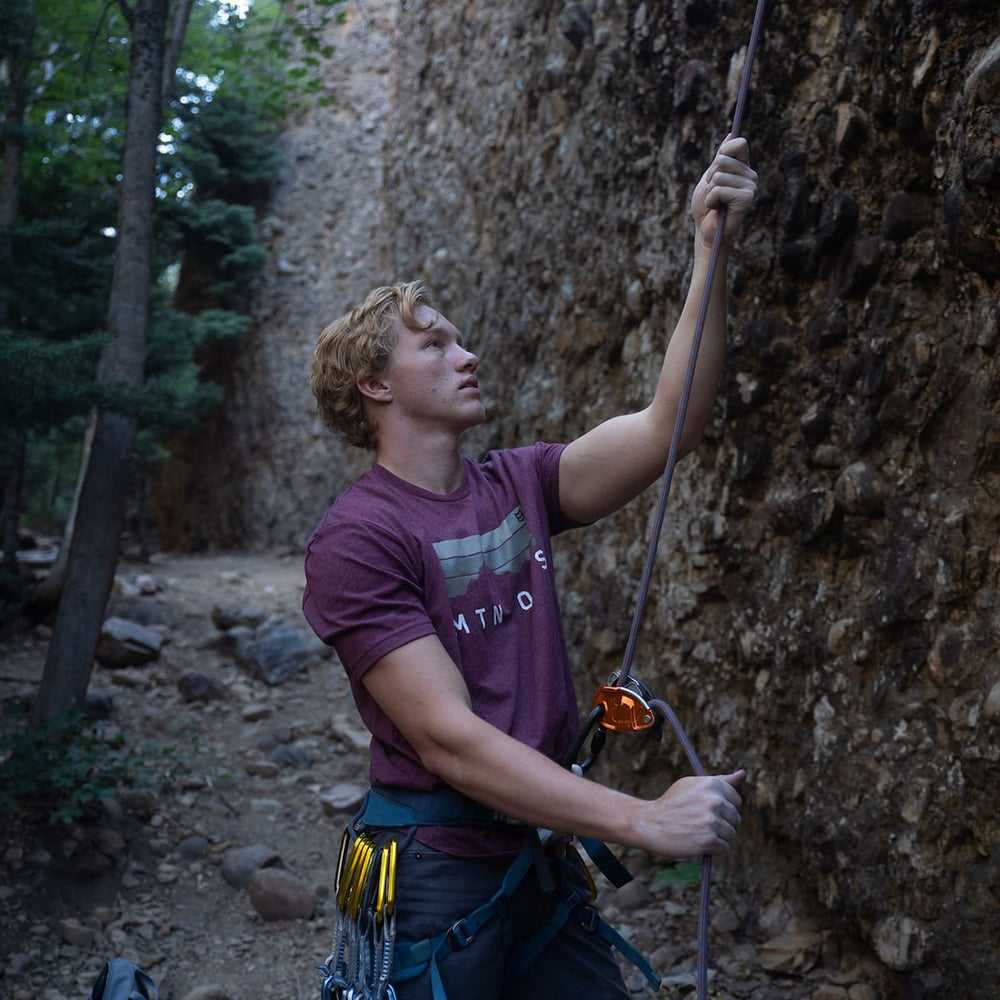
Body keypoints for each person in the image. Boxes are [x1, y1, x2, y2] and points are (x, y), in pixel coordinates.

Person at [303, 136, 758, 1000]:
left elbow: (670, 426)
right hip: (436, 871)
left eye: (460, 341)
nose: (466, 355)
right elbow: (449, 740)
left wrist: (711, 251)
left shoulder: (521, 483)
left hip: (535, 855)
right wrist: (642, 819)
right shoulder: (358, 538)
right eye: (434, 345)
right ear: (374, 385)